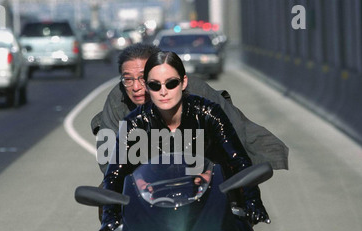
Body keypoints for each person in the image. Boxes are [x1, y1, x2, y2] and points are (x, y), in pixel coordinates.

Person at [99, 51, 269, 231]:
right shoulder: (135, 123)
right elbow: (115, 175)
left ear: (183, 82)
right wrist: (109, 217)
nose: (164, 91)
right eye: (155, 85)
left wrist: (253, 201)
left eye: (171, 83)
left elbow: (238, 160)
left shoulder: (209, 113)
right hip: (158, 205)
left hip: (213, 199)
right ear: (148, 87)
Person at [91, 43, 289, 174]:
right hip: (148, 176)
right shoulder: (118, 99)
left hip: (206, 165)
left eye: (144, 79)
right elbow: (109, 158)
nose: (135, 87)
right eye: (128, 79)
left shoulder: (196, 91)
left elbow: (233, 135)